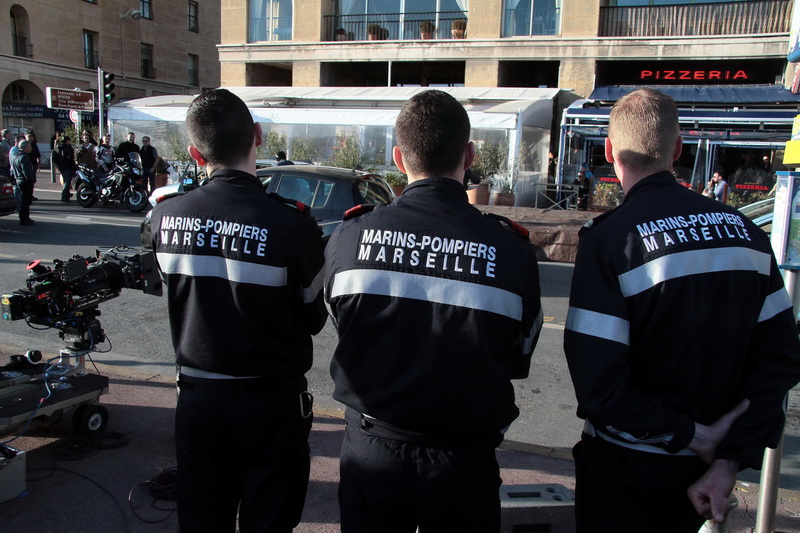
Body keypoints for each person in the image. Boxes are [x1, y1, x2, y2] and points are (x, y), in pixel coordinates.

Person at [563, 88, 800, 533]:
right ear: (678, 148)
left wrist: (694, 436)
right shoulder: (747, 233)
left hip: (627, 470)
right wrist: (728, 459)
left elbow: (599, 386)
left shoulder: (611, 240)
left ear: (610, 150)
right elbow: (781, 359)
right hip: (706, 474)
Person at [324, 89, 543, 533]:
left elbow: (340, 323)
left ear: (399, 157)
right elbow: (518, 356)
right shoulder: (512, 251)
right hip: (463, 464)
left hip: (373, 453)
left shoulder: (350, 237)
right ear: (469, 155)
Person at [150, 88, 326, 533]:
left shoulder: (164, 219)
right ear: (258, 137)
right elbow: (314, 318)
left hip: (198, 403)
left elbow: (172, 292)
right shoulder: (294, 225)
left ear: (194, 152)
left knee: (201, 521)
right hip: (271, 409)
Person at [11, 139, 36, 225]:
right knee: (26, 201)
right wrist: (32, 180)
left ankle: (24, 218)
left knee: (24, 201)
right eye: (29, 146)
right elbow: (27, 171)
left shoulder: (15, 156)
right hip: (25, 181)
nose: (31, 148)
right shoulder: (24, 157)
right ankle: (24, 219)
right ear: (25, 148)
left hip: (19, 180)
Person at [55, 136, 77, 202]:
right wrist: (74, 165)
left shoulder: (57, 147)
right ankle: (64, 195)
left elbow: (54, 157)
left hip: (61, 166)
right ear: (67, 141)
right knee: (67, 181)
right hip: (68, 166)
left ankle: (67, 194)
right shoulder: (69, 148)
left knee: (65, 180)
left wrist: (58, 163)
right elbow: (70, 158)